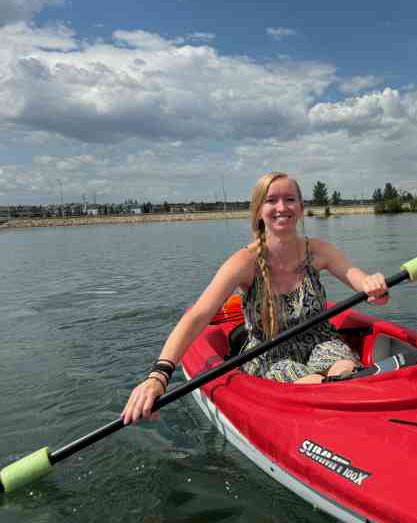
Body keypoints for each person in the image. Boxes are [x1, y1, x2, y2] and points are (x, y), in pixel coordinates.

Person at [122, 172, 389, 425]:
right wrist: (158, 376)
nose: (281, 207)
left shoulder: (320, 251)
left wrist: (373, 286)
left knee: (344, 371)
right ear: (259, 211)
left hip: (321, 341)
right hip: (269, 351)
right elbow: (198, 315)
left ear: (300, 207)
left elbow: (361, 281)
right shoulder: (244, 262)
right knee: (312, 386)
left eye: (290, 199)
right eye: (271, 200)